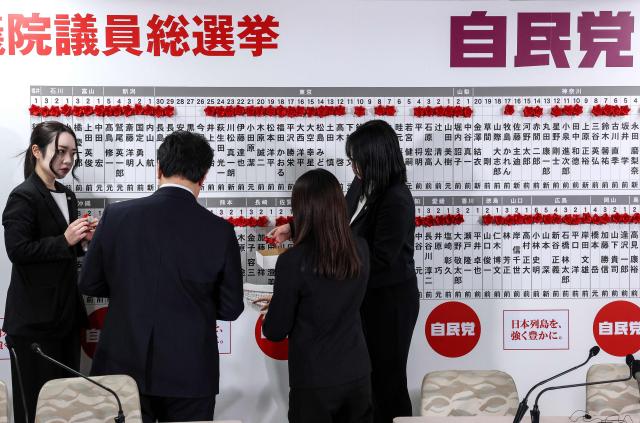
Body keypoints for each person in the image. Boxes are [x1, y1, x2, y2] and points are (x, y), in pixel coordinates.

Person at [79, 130, 244, 423]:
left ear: (158, 168)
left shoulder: (117, 216)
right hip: (191, 371)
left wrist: (128, 289)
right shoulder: (220, 230)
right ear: (203, 176)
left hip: (122, 368)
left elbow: (89, 282)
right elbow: (231, 308)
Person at [268, 120, 419, 423]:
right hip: (358, 293)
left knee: (387, 380)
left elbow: (379, 260)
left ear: (375, 158)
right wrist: (296, 228)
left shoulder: (396, 199)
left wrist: (324, 279)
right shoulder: (362, 183)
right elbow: (336, 221)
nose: (352, 166)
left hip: (388, 302)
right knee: (365, 379)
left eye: (356, 159)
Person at [262, 168, 372, 423]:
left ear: (302, 209)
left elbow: (275, 330)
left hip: (314, 381)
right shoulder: (361, 249)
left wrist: (275, 307)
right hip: (358, 373)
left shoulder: (292, 261)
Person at [3, 121, 92, 423]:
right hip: (33, 324)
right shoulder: (23, 196)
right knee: (35, 408)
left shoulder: (67, 196)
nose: (67, 161)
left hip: (65, 318)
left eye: (73, 153)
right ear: (37, 151)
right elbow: (18, 251)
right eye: (61, 152)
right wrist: (65, 239)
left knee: (67, 408)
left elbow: (64, 252)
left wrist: (82, 242)